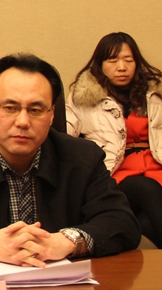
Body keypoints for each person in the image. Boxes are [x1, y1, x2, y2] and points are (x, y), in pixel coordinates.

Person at [0, 53, 140, 266]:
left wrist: (66, 241)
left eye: (36, 109)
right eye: (10, 108)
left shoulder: (84, 158)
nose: (22, 121)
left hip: (62, 285)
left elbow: (121, 221)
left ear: (51, 114)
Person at [66, 32, 162, 247]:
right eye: (113, 61)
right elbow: (64, 134)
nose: (122, 67)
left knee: (145, 223)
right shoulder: (83, 99)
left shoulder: (156, 95)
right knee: (143, 187)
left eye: (128, 60)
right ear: (100, 64)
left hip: (158, 169)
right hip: (116, 174)